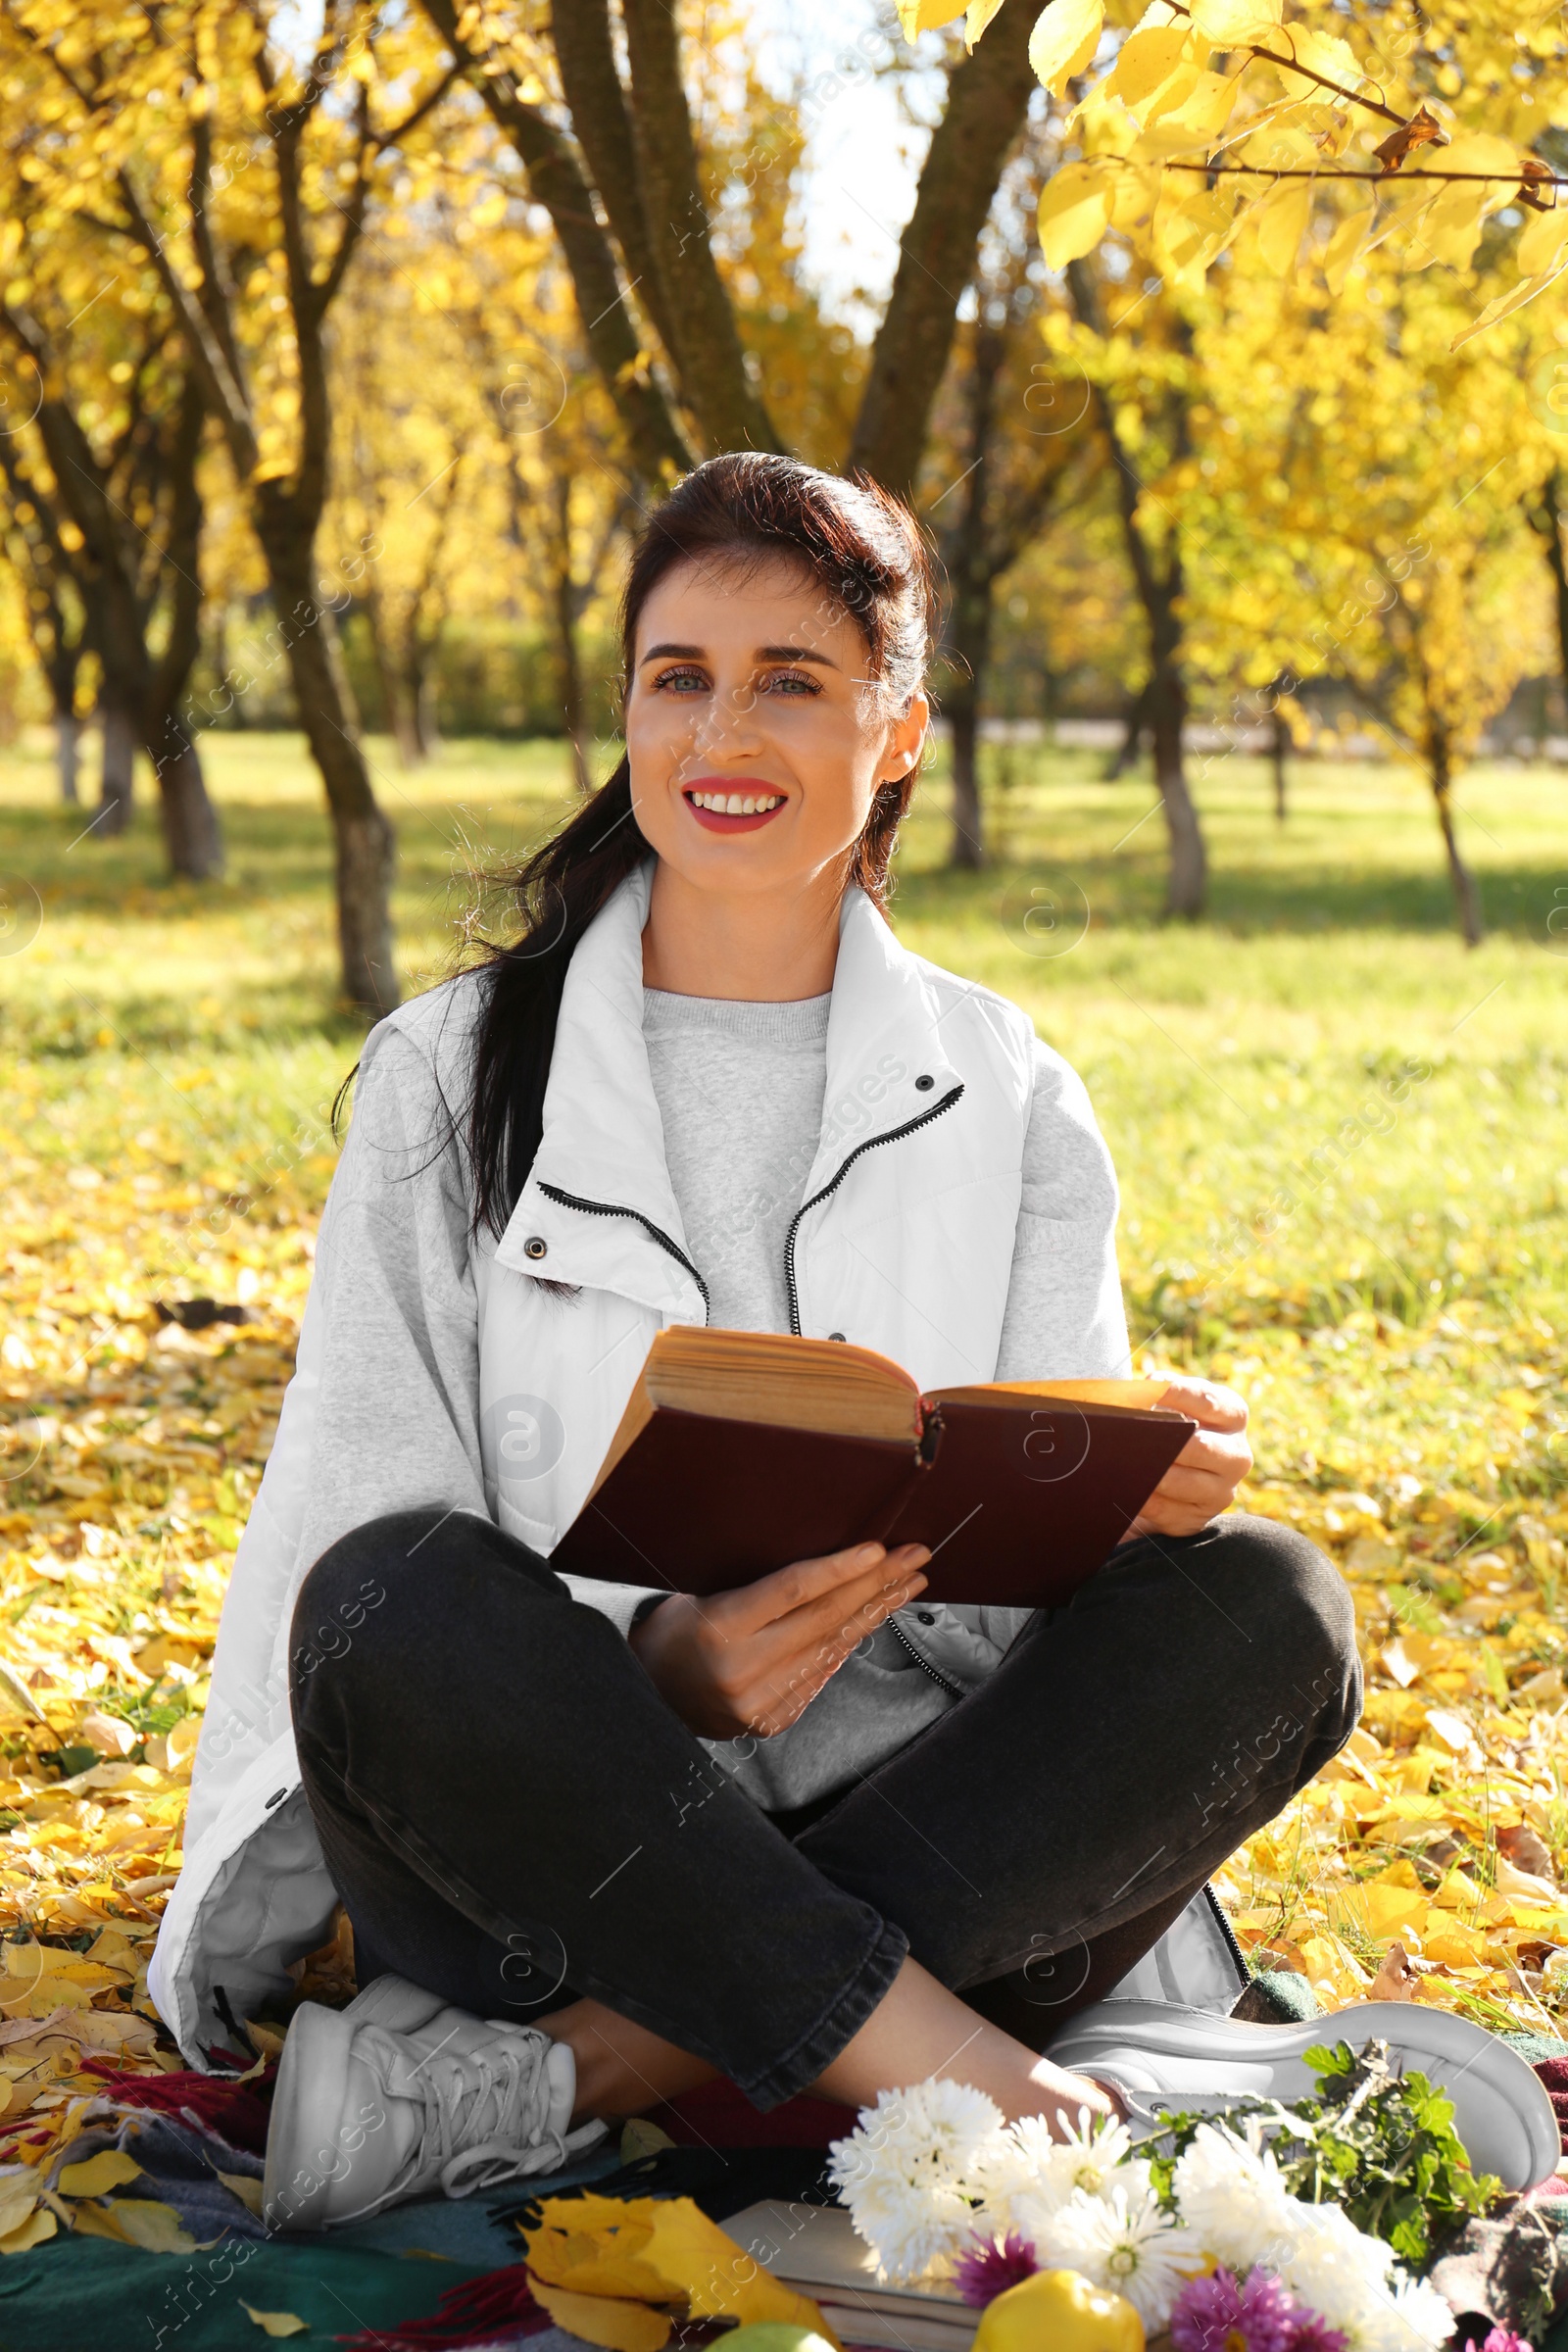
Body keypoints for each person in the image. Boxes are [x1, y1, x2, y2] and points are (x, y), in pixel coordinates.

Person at [149, 455, 1557, 2231]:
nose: (724, 728)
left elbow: (1028, 1585)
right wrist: (656, 1668)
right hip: (547, 1878)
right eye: (681, 675)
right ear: (631, 712)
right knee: (387, 1590)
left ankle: (573, 2084)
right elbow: (368, 1532)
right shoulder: (449, 1075)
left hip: (939, 1853)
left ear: (895, 735)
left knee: (1272, 1601)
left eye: (792, 679)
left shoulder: (1013, 1093)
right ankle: (1000, 2087)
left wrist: (1132, 1497)